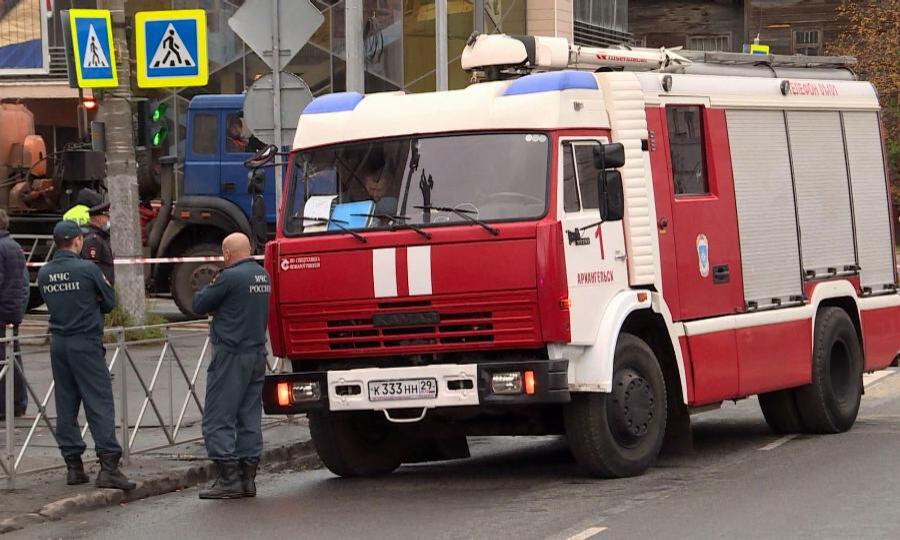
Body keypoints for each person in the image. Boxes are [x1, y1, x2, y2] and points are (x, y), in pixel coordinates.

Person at [37, 221, 135, 490]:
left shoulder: (45, 273)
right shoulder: (88, 269)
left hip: (59, 344)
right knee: (98, 401)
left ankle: (73, 466)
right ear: (78, 241)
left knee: (66, 403)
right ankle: (108, 466)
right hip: (86, 342)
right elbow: (110, 302)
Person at [192, 233, 270, 499]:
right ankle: (248, 478)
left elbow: (199, 303)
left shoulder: (229, 277)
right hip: (257, 354)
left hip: (231, 355)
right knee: (249, 417)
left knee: (218, 417)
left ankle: (228, 478)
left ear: (226, 253)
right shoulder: (262, 275)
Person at [0, 209, 26, 420]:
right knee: (13, 358)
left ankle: (3, 406)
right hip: (12, 310)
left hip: (2, 311)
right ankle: (18, 403)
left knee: (4, 360)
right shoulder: (14, 245)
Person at [77, 189, 115, 285]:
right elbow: (93, 268)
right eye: (106, 216)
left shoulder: (98, 236)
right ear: (99, 218)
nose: (108, 220)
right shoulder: (93, 239)